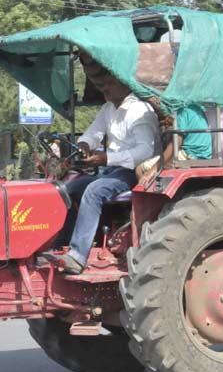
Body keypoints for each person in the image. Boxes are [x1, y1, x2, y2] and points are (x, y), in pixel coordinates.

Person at [45, 69, 160, 274]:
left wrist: (107, 158)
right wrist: (84, 144)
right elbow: (93, 133)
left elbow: (145, 152)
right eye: (103, 85)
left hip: (133, 171)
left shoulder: (140, 112)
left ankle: (78, 256)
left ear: (125, 85)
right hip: (111, 169)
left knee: (94, 190)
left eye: (109, 84)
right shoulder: (108, 108)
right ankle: (59, 246)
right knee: (66, 190)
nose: (104, 89)